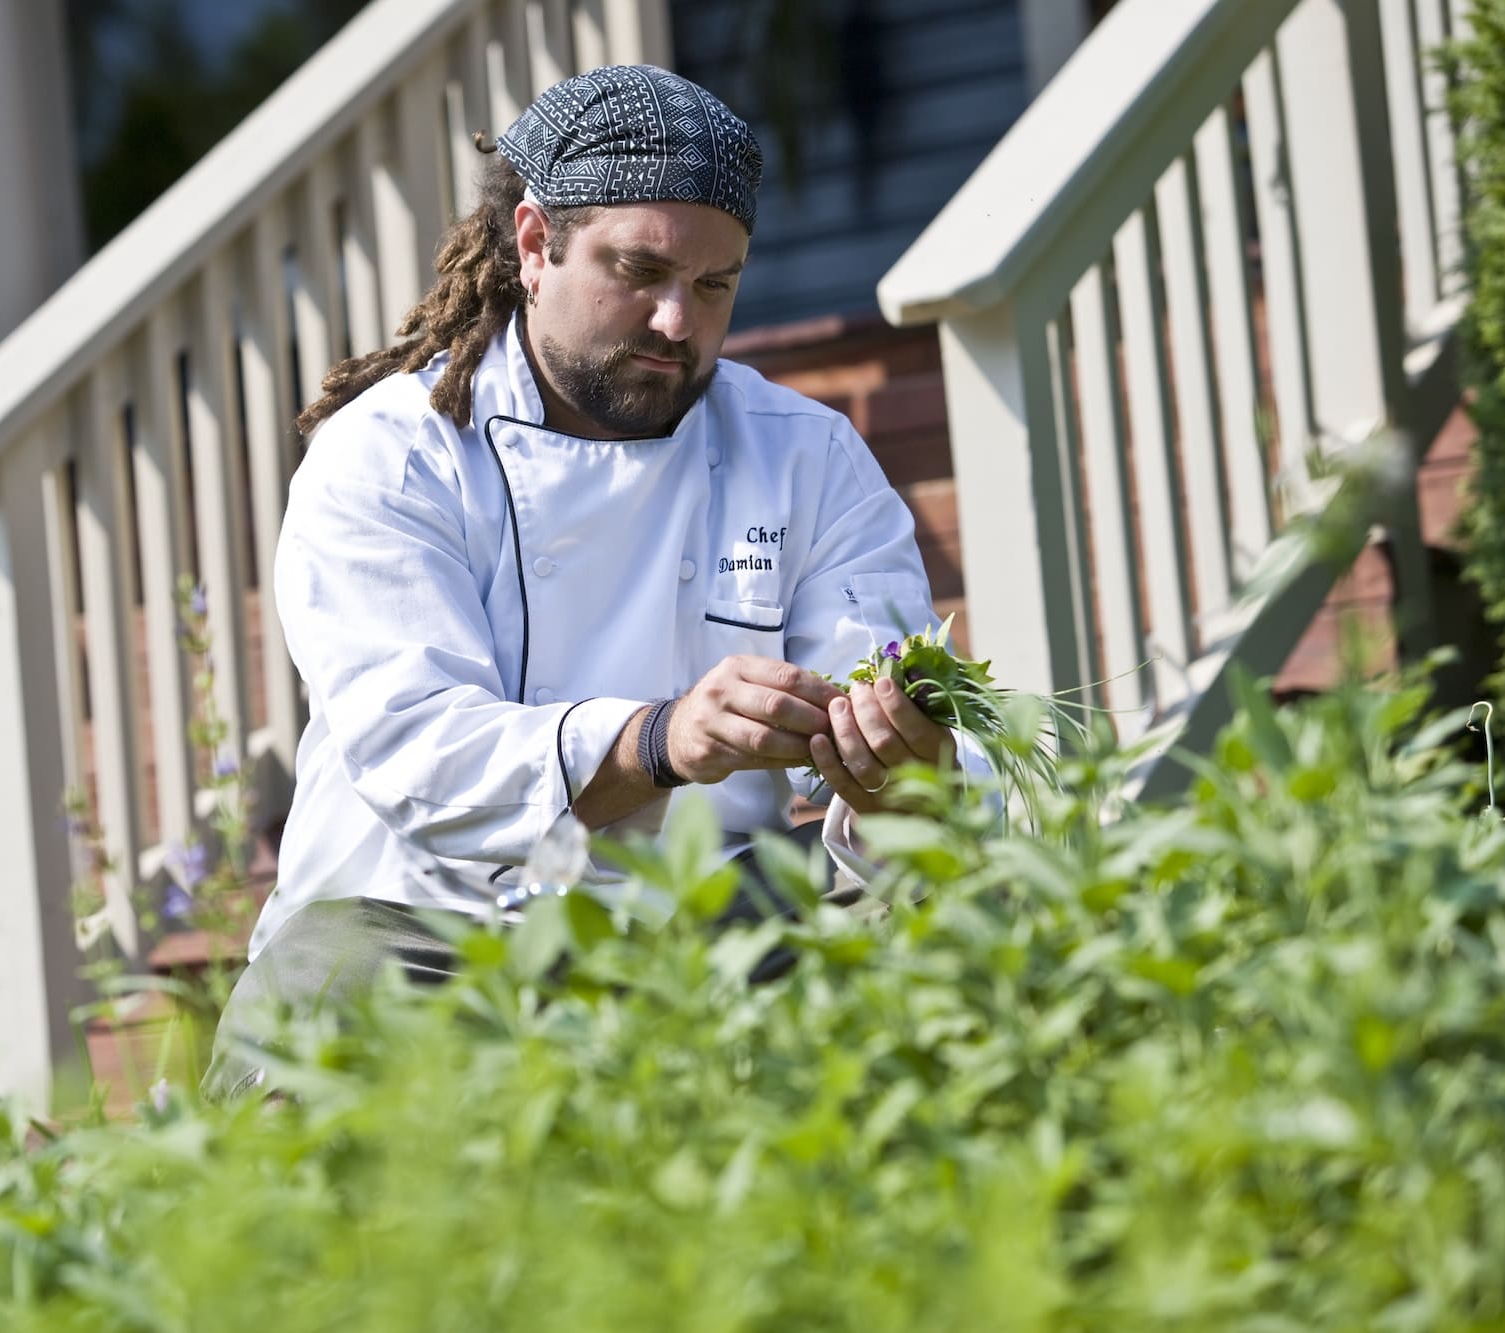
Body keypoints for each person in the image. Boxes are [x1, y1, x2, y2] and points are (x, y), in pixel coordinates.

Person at [205, 65, 969, 1099]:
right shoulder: (389, 454)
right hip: (423, 929)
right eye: (638, 270)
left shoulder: (806, 457)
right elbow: (422, 752)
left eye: (714, 286)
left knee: (944, 923)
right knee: (326, 1000)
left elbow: (895, 729)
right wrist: (662, 738)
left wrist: (898, 771)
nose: (676, 321)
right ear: (535, 244)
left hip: (700, 925)